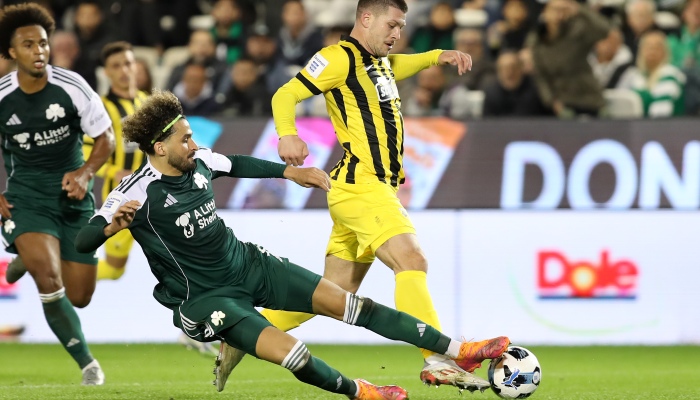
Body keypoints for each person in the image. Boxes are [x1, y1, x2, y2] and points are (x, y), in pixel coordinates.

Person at [73, 89, 509, 399]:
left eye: (191, 135)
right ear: (158, 147)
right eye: (183, 139)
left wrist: (289, 172)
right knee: (294, 355)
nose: (193, 144)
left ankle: (459, 350)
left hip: (249, 264)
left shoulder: (200, 160)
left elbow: (236, 163)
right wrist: (109, 229)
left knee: (352, 305)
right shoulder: (136, 193)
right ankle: (360, 392)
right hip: (208, 299)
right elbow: (82, 240)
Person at [258, 0, 499, 393]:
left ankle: (245, 331)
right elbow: (285, 94)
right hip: (362, 185)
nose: (397, 34)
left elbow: (399, 65)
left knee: (334, 293)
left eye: (401, 26)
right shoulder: (337, 58)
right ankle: (438, 359)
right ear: (366, 18)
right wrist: (287, 134)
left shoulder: (379, 63)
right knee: (412, 259)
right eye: (392, 25)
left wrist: (437, 56)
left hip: (365, 188)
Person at [0, 3, 115, 385]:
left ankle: (27, 257)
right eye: (28, 45)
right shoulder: (2, 96)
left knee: (80, 295)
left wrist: (85, 173)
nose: (39, 51)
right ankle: (88, 365)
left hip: (72, 199)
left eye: (43, 43)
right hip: (26, 199)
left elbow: (106, 138)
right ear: (11, 51)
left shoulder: (72, 86)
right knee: (49, 279)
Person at [82, 41, 148, 282]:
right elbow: (85, 151)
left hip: (155, 196)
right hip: (121, 200)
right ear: (107, 72)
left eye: (128, 63)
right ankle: (69, 277)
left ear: (135, 66)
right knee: (114, 269)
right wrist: (114, 171)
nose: (124, 70)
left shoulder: (147, 102)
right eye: (116, 66)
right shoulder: (100, 108)